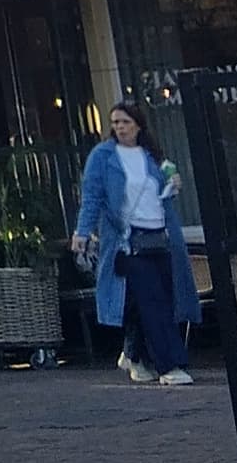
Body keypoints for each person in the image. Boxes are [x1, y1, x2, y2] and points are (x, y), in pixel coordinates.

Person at [70, 101, 200, 385]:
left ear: (138, 125)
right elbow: (92, 196)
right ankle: (170, 365)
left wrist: (173, 186)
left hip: (160, 235)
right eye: (115, 122)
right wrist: (82, 231)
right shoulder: (103, 156)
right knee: (152, 300)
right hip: (128, 241)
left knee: (157, 299)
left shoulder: (151, 156)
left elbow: (161, 194)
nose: (120, 128)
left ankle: (134, 354)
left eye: (125, 122)